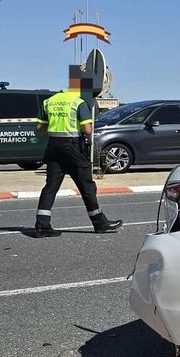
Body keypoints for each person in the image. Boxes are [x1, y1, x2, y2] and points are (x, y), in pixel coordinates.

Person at [33, 69, 122, 237]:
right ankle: (100, 223)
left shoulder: (50, 101)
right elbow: (88, 130)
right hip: (72, 147)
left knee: (51, 186)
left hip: (53, 147)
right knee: (86, 185)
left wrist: (55, 127)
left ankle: (42, 226)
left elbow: (39, 127)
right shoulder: (78, 102)